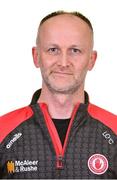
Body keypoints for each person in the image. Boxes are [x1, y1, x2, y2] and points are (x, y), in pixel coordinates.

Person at [0, 10, 117, 179]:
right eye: (53, 49)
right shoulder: (3, 130)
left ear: (92, 59)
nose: (63, 63)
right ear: (36, 56)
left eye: (75, 50)